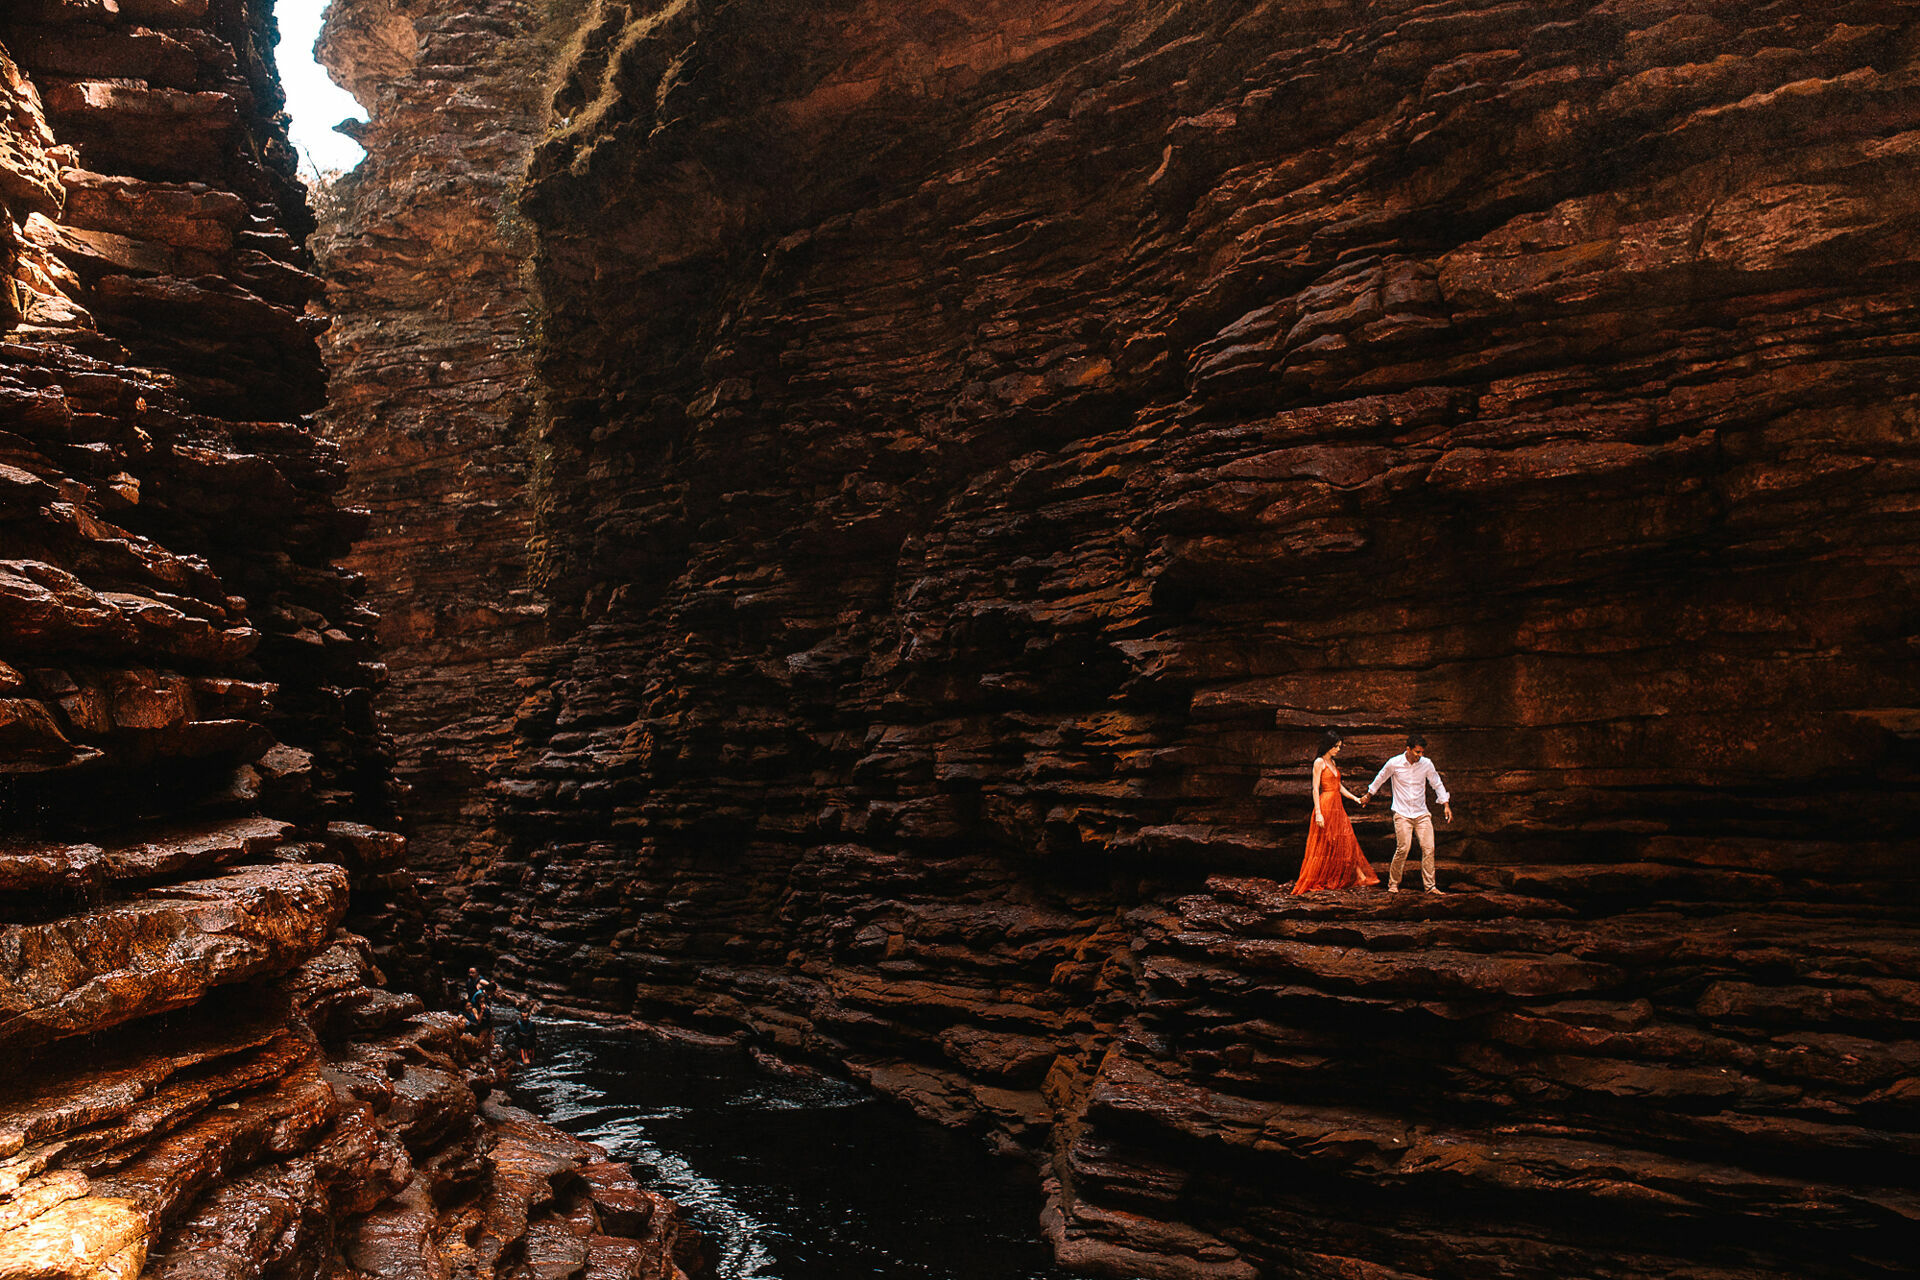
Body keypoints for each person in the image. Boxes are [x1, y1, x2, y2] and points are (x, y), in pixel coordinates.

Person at [1360, 732, 1453, 893]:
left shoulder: (1426, 764)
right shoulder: (1394, 763)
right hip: (1402, 813)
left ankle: (1430, 886)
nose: (1420, 755)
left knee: (1429, 848)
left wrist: (1445, 804)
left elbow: (1436, 783)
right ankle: (1393, 884)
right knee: (1403, 848)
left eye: (1422, 752)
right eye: (1417, 752)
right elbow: (1381, 777)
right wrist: (1369, 795)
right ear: (1408, 749)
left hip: (1421, 813)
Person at [1292, 730, 1379, 894]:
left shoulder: (1332, 762)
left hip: (1337, 806)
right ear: (1328, 745)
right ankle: (1327, 877)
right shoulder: (1319, 762)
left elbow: (1338, 786)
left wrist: (1355, 799)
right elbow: (1315, 789)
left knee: (1347, 840)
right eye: (1336, 746)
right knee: (1327, 843)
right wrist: (1318, 813)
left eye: (1339, 746)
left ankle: (1360, 875)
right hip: (1325, 805)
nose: (1338, 749)